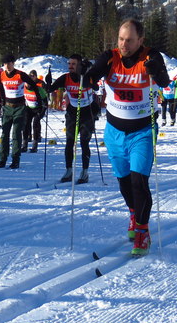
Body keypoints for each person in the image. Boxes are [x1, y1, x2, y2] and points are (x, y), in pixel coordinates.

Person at [84, 18, 170, 257]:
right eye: (121, 39)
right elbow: (94, 74)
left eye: (130, 40)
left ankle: (142, 232)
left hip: (142, 132)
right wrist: (86, 78)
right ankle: (134, 213)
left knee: (138, 181)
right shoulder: (110, 57)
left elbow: (164, 82)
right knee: (124, 183)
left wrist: (156, 70)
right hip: (114, 132)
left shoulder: (151, 56)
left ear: (140, 40)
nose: (124, 44)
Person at [48, 54, 95, 184]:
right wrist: (48, 83)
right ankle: (69, 170)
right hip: (72, 113)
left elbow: (95, 84)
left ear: (79, 65)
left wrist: (87, 75)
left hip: (87, 114)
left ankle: (84, 172)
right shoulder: (66, 77)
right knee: (69, 142)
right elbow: (51, 89)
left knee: (84, 143)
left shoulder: (86, 76)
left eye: (73, 64)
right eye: (69, 64)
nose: (70, 66)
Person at [0, 54, 43, 169]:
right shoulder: (1, 76)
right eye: (5, 64)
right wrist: (1, 104)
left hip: (20, 108)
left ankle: (15, 160)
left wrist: (40, 103)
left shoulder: (20, 74)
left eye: (9, 63)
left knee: (16, 134)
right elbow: (0, 90)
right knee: (4, 134)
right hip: (7, 107)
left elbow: (34, 86)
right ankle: (2, 159)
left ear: (13, 63)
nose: (7, 66)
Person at [21, 70, 47, 154]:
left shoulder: (38, 89)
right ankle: (24, 146)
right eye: (26, 84)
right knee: (25, 124)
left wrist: (42, 111)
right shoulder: (23, 88)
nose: (27, 85)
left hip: (38, 109)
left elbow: (45, 101)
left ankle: (35, 146)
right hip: (29, 108)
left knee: (35, 124)